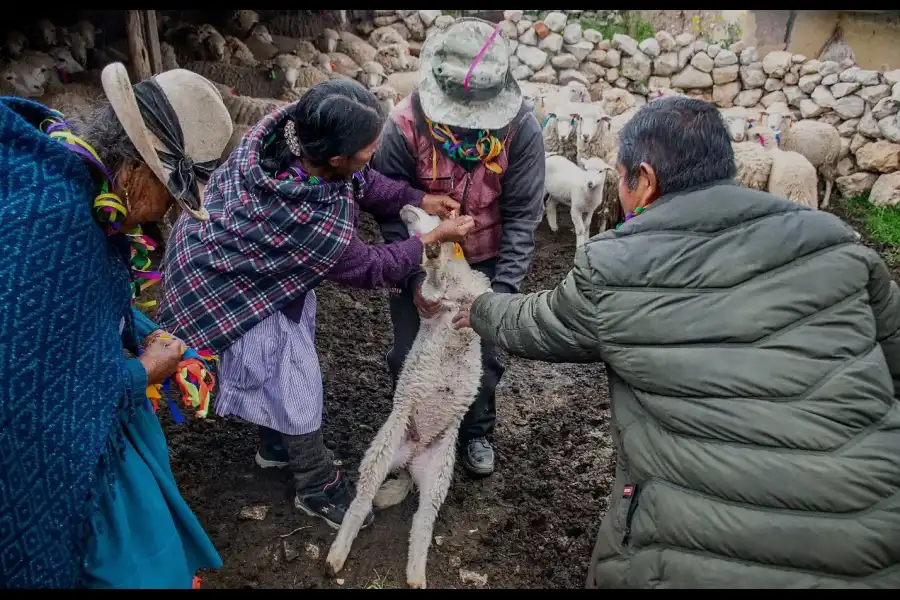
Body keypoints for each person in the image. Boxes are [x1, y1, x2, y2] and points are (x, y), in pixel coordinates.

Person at [452, 96, 900, 588]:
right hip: (875, 540)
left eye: (620, 178)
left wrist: (475, 305)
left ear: (642, 180)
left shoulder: (616, 264)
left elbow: (537, 323)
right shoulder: (836, 244)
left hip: (690, 556)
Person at [155, 79, 475, 531]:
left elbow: (363, 181)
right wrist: (431, 239)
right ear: (336, 159)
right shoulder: (307, 218)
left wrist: (416, 198)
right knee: (293, 381)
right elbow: (369, 266)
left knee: (276, 368)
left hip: (246, 261)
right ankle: (316, 486)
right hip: (231, 284)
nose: (373, 152)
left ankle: (275, 447)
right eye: (367, 149)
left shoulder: (290, 131)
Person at [0, 63, 235, 588]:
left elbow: (67, 317)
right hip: (35, 464)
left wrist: (134, 321)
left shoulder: (67, 183)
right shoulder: (57, 232)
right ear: (134, 171)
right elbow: (24, 391)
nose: (169, 210)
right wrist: (143, 372)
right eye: (172, 193)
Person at [372, 17, 546, 478]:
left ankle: (475, 431)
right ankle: (411, 433)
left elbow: (524, 214)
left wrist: (500, 291)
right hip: (420, 257)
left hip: (484, 259)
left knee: (482, 355)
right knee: (411, 351)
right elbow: (390, 208)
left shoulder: (522, 130)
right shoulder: (405, 125)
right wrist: (412, 279)